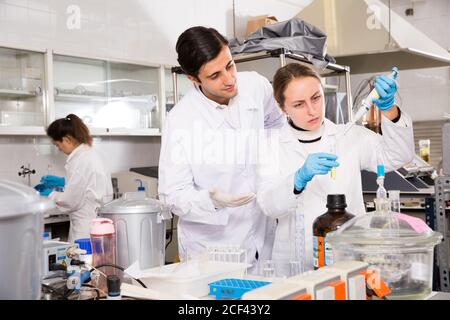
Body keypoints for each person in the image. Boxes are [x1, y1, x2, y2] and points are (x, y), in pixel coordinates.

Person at [256, 63, 415, 275]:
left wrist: (390, 110)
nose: (312, 110)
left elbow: (398, 156)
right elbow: (268, 206)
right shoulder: (271, 147)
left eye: (316, 97)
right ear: (282, 107)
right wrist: (297, 179)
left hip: (349, 257)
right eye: (299, 104)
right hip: (295, 263)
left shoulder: (350, 136)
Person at [158, 26, 285, 270]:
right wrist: (212, 200)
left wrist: (273, 168)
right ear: (194, 80)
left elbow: (275, 124)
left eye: (229, 65)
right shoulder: (181, 120)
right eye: (214, 76)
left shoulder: (256, 86)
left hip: (264, 236)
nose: (229, 79)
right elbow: (172, 194)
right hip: (213, 249)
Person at [35, 114, 113, 242]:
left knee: (82, 260)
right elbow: (88, 183)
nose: (59, 149)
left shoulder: (80, 160)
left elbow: (70, 201)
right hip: (100, 225)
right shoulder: (91, 154)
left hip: (85, 229)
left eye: (57, 144)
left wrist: (50, 194)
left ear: (66, 140)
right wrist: (64, 181)